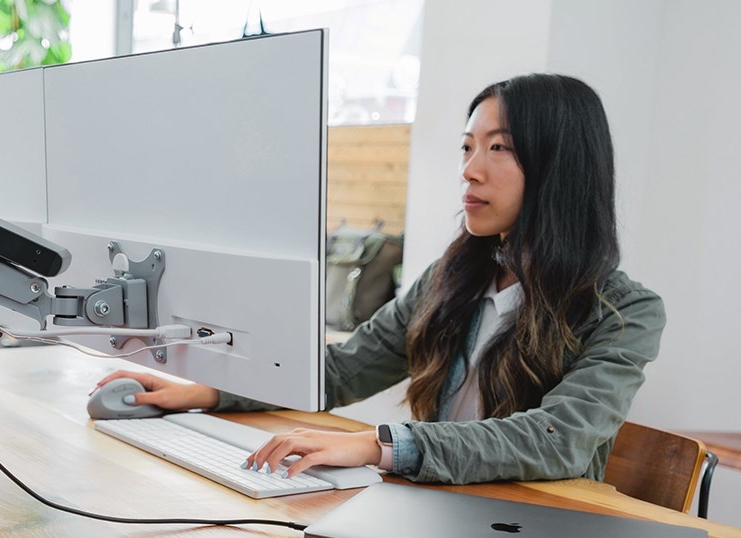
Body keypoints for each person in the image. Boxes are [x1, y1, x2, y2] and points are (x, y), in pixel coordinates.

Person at [95, 73, 666, 485]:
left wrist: (377, 445)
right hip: (437, 507)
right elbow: (344, 370)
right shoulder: (452, 278)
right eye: (468, 148)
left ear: (558, 168)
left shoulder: (624, 312)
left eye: (499, 148)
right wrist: (210, 391)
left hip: (540, 529)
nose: (470, 168)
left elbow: (557, 439)